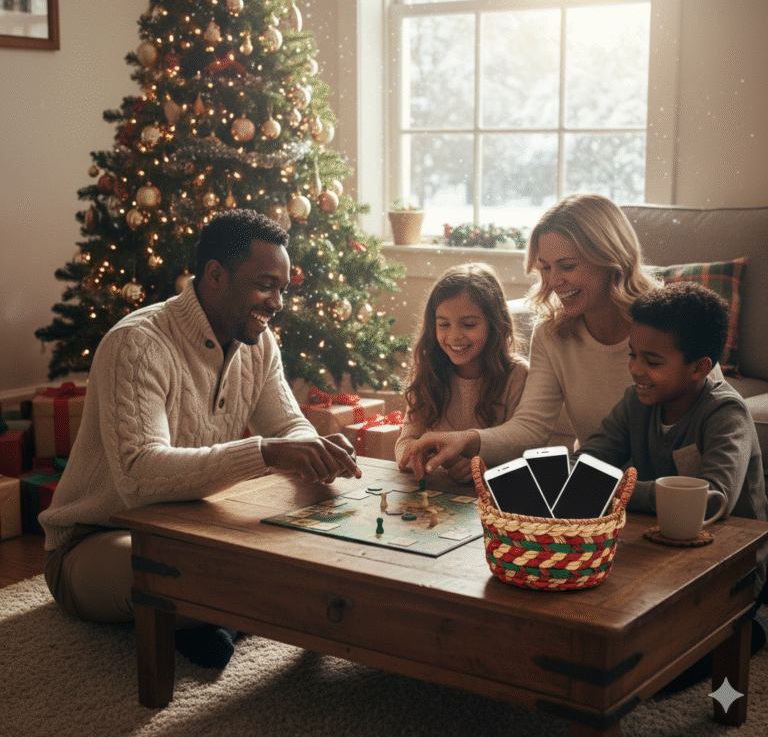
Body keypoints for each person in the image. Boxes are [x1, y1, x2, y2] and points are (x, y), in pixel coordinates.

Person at [39, 209, 360, 669]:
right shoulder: (137, 344)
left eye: (283, 289)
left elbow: (289, 425)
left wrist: (317, 451)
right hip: (98, 540)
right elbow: (139, 476)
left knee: (299, 553)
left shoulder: (260, 342)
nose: (278, 303)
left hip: (195, 527)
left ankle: (208, 619)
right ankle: (216, 617)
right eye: (266, 285)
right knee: (233, 575)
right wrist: (266, 453)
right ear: (215, 276)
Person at [574, 281, 767, 690]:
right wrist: (598, 482)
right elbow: (587, 463)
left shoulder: (725, 414)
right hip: (660, 544)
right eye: (632, 355)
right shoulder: (636, 402)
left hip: (732, 561)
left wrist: (618, 490)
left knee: (661, 670)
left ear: (699, 367)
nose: (636, 369)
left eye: (653, 361)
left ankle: (746, 628)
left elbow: (712, 499)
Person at [399, 192, 661, 475]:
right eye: (545, 268)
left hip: (673, 487)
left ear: (610, 256)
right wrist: (469, 440)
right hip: (594, 482)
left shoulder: (667, 319)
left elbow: (711, 406)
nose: (553, 282)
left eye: (568, 266)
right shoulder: (553, 333)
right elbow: (531, 427)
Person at [395, 263, 528, 483]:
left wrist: (486, 467)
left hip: (493, 501)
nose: (454, 335)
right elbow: (405, 441)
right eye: (444, 324)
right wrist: (416, 457)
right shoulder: (428, 370)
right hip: (437, 492)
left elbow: (525, 449)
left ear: (494, 325)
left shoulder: (517, 375)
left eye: (468, 324)